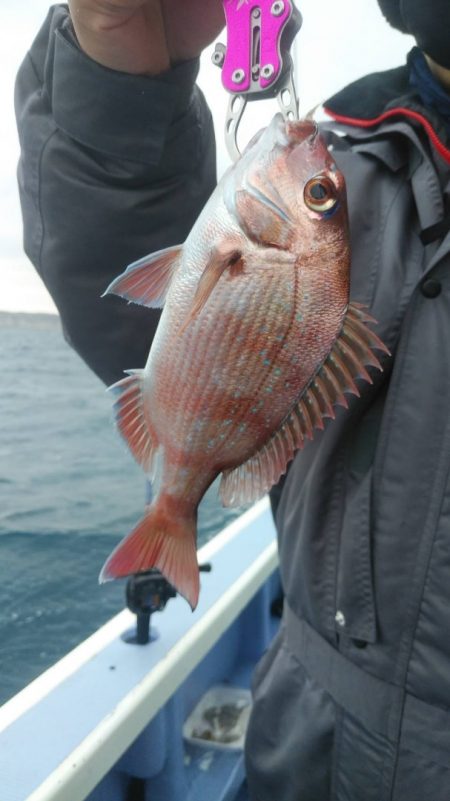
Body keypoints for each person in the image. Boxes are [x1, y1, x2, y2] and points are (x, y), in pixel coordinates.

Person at [14, 1, 450, 799]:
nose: (320, 181)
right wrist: (119, 86)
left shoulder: (327, 189)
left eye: (318, 195)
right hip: (309, 756)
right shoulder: (359, 162)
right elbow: (136, 320)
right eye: (326, 198)